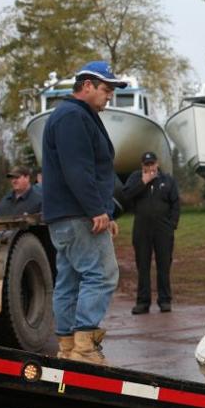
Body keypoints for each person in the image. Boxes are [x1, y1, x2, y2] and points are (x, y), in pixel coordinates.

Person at [41, 61, 125, 364]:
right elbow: (78, 169)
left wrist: (106, 211)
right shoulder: (73, 116)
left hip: (65, 215)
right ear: (87, 85)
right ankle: (84, 348)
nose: (109, 96)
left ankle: (67, 346)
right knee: (101, 274)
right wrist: (97, 211)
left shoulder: (70, 115)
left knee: (70, 280)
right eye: (106, 89)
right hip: (79, 215)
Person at [123, 151, 180, 314]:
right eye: (146, 165)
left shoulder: (167, 180)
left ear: (157, 163)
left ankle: (164, 300)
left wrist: (172, 225)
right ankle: (143, 302)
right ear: (142, 166)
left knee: (164, 265)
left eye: (152, 164)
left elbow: (175, 203)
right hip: (142, 228)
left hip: (163, 229)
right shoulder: (135, 178)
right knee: (142, 265)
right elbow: (126, 196)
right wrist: (143, 182)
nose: (150, 167)